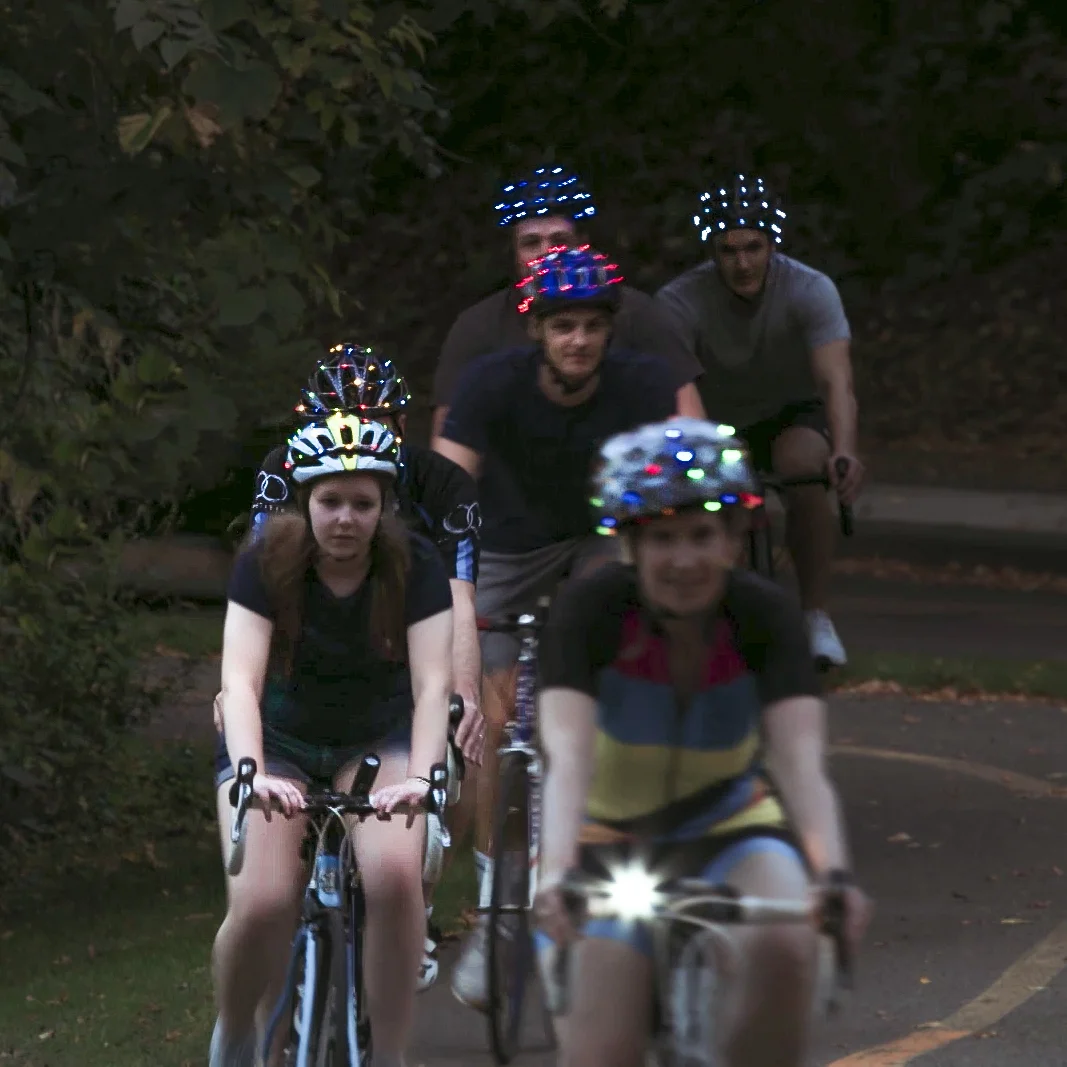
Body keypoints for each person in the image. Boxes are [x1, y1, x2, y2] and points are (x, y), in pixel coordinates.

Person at [532, 417, 871, 1067]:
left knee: (787, 943)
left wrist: (831, 874)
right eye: (662, 539)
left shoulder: (762, 614)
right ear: (630, 544)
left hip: (730, 823)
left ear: (732, 540)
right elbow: (567, 757)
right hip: (606, 837)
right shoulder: (591, 610)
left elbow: (800, 762)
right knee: (603, 1052)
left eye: (699, 536)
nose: (682, 559)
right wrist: (555, 871)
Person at [432, 245, 688, 1010]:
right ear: (536, 330)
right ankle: (497, 915)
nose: (577, 340)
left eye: (590, 326)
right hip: (508, 549)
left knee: (607, 668)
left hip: (599, 541)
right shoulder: (491, 384)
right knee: (498, 723)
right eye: (561, 325)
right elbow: (444, 487)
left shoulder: (641, 384)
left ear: (610, 330)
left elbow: (689, 464)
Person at [240, 342, 486, 991]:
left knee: (452, 738)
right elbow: (260, 593)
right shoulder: (281, 471)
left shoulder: (440, 483)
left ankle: (416, 909)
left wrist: (462, 691)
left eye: (373, 417)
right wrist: (240, 691)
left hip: (407, 646)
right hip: (314, 658)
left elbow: (460, 597)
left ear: (400, 429)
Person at [211, 414, 454, 1067]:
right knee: (262, 901)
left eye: (362, 502)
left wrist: (424, 779)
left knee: (396, 874)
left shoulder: (417, 565)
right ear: (303, 501)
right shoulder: (264, 561)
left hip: (377, 740)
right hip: (277, 740)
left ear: (385, 506)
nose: (345, 517)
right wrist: (250, 769)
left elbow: (434, 685)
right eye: (329, 501)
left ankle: (392, 1050)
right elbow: (239, 680)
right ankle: (239, 1030)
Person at [655, 174, 862, 667]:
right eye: (728, 251)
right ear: (712, 252)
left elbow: (837, 382)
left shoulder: (810, 289)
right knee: (727, 490)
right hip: (715, 414)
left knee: (806, 468)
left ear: (772, 244)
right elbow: (670, 389)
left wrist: (845, 449)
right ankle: (730, 616)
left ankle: (815, 616)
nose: (742, 262)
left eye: (753, 247)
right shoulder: (680, 302)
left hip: (790, 411)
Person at [431, 164, 706, 437]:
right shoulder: (478, 326)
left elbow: (690, 419)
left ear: (583, 243)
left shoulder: (636, 311)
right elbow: (448, 443)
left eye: (559, 240)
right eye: (531, 243)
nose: (547, 254)